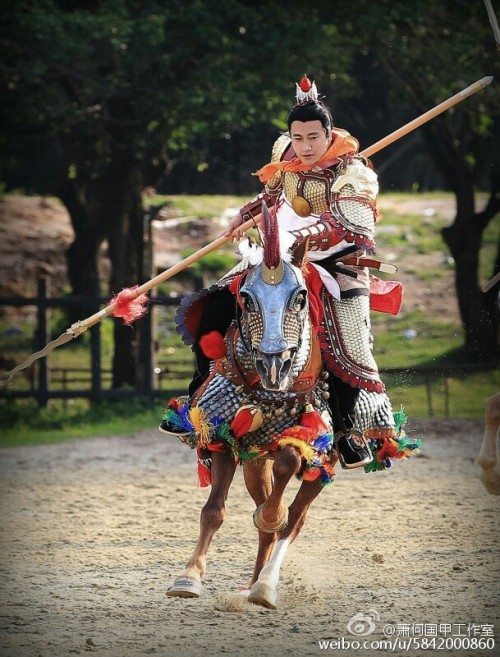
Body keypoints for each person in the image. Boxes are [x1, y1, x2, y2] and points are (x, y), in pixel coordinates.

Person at [163, 75, 403, 469]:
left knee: (348, 342)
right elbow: (270, 198)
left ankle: (346, 430)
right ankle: (198, 402)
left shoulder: (354, 172)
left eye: (313, 137)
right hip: (277, 258)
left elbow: (352, 225)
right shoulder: (287, 162)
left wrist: (304, 236)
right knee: (213, 310)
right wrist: (246, 215)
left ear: (329, 134)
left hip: (336, 264)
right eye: (298, 137)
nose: (305, 147)